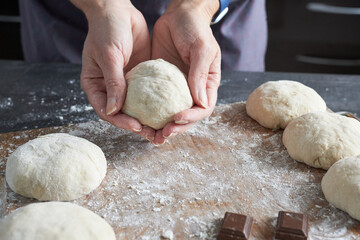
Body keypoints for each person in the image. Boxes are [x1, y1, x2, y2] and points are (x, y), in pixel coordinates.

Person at [19, 0, 267, 145]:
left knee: (241, 114)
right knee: (52, 123)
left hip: (214, 19)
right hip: (76, 21)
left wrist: (196, 6)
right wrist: (103, 6)